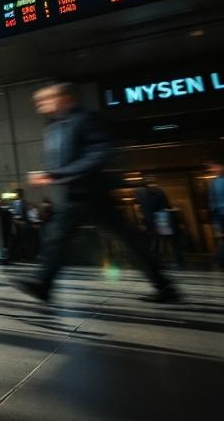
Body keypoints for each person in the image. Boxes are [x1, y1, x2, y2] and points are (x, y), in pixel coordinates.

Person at [17, 83, 179, 303]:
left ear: (61, 98)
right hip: (74, 194)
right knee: (57, 238)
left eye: (43, 100)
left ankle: (165, 287)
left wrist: (55, 174)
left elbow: (100, 152)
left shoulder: (85, 119)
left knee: (127, 240)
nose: (39, 107)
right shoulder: (55, 127)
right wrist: (51, 175)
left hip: (94, 192)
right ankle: (43, 283)